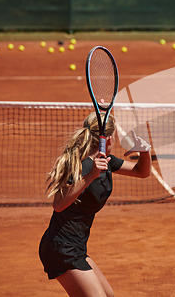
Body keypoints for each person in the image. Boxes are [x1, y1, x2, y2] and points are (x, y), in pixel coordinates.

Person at [39, 112, 151, 297]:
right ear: (106, 139)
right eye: (113, 137)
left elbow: (142, 172)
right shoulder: (82, 166)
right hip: (61, 248)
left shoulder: (106, 161)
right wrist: (90, 176)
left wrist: (145, 153)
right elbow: (58, 204)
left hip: (76, 246)